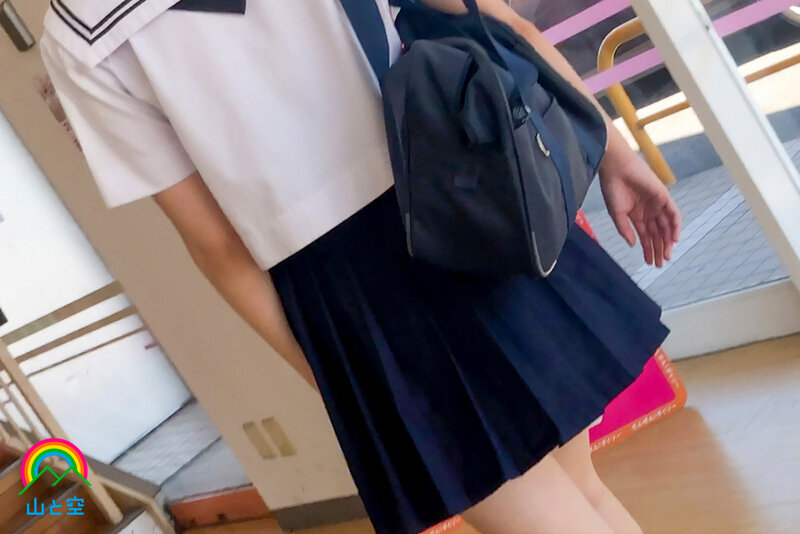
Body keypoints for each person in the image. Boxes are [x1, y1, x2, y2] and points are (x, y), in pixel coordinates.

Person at [40, 1, 681, 533]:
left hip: (352, 295)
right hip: (473, 202)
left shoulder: (77, 34)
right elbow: (498, 21)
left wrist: (328, 374)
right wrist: (613, 150)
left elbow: (219, 249)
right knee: (583, 493)